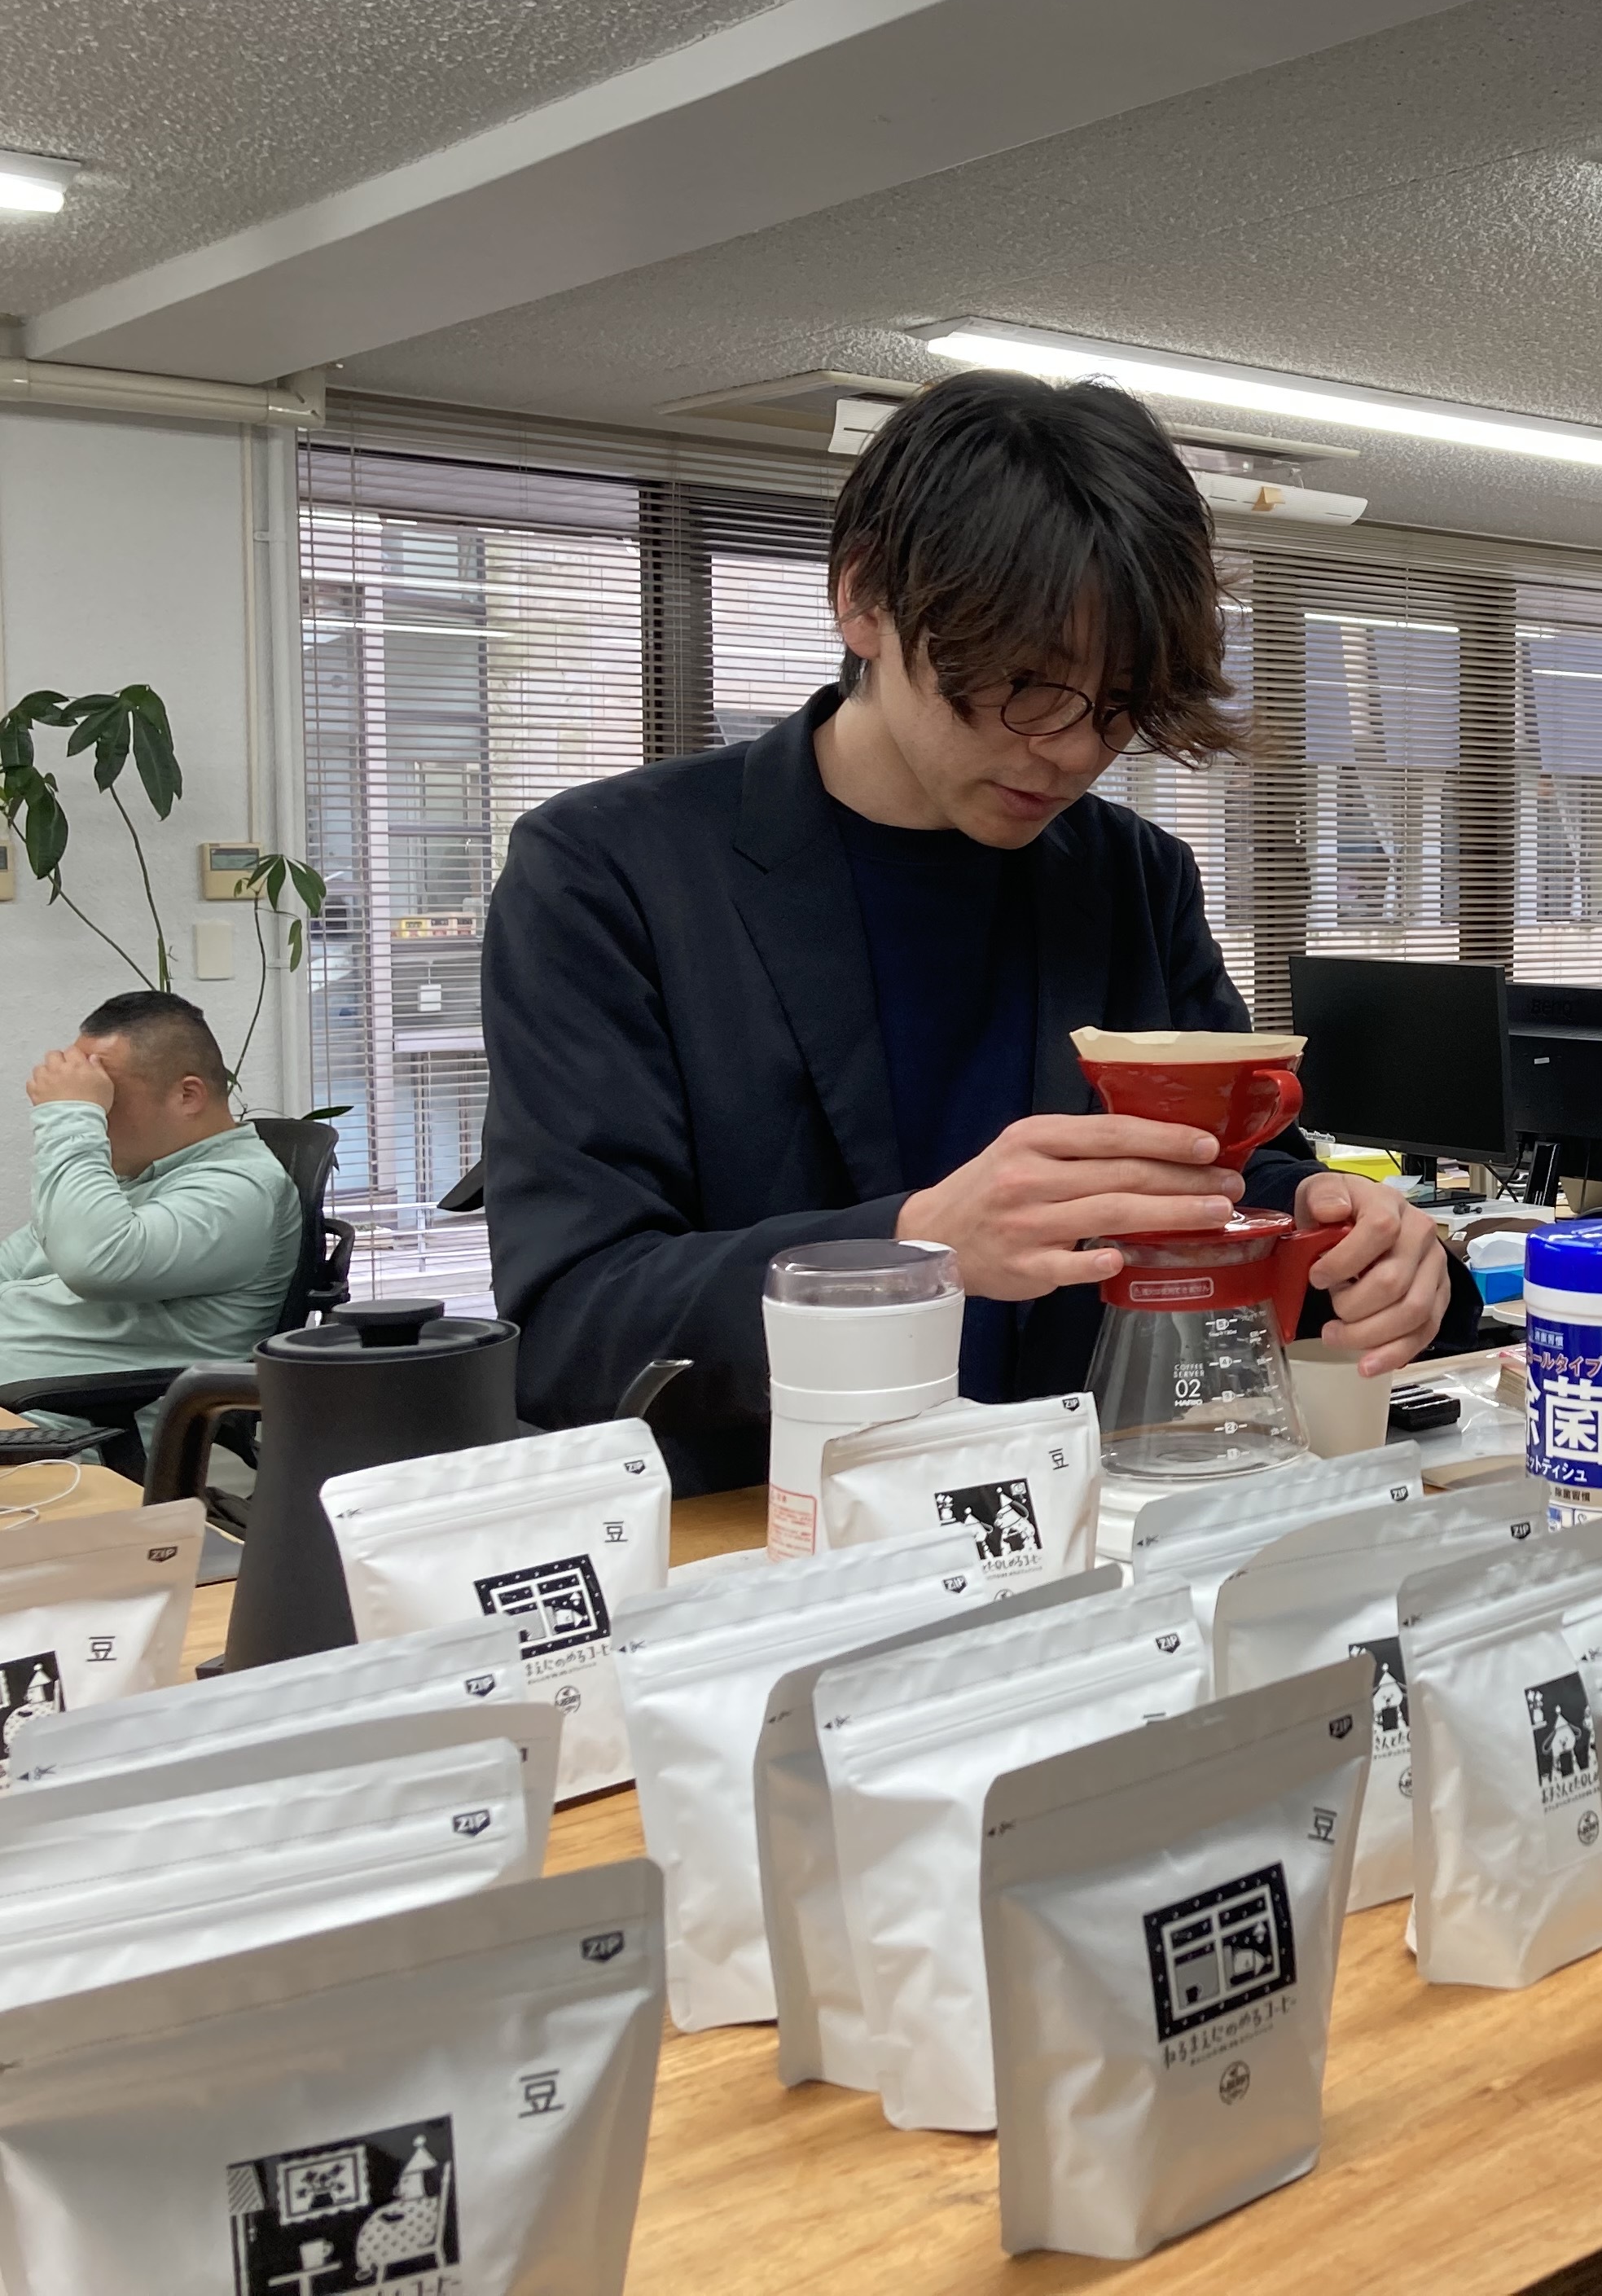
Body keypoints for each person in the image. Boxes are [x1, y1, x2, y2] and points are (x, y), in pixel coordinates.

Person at [481, 371, 1472, 1495]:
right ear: (864, 601)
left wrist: (1355, 1237)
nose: (1072, 752)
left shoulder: (1132, 878)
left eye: (1117, 707)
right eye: (1027, 688)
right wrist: (919, 1253)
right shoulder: (613, 874)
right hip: (771, 1552)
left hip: (1099, 1529)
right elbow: (574, 1325)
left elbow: (1230, 1180)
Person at [0, 991, 297, 1383]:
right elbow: (15, 1260)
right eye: (91, 1094)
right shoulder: (143, 1175)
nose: (95, 1111)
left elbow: (94, 1263)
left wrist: (70, 1116)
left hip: (64, 1425)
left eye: (105, 1096)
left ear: (187, 1096)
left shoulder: (242, 1190)